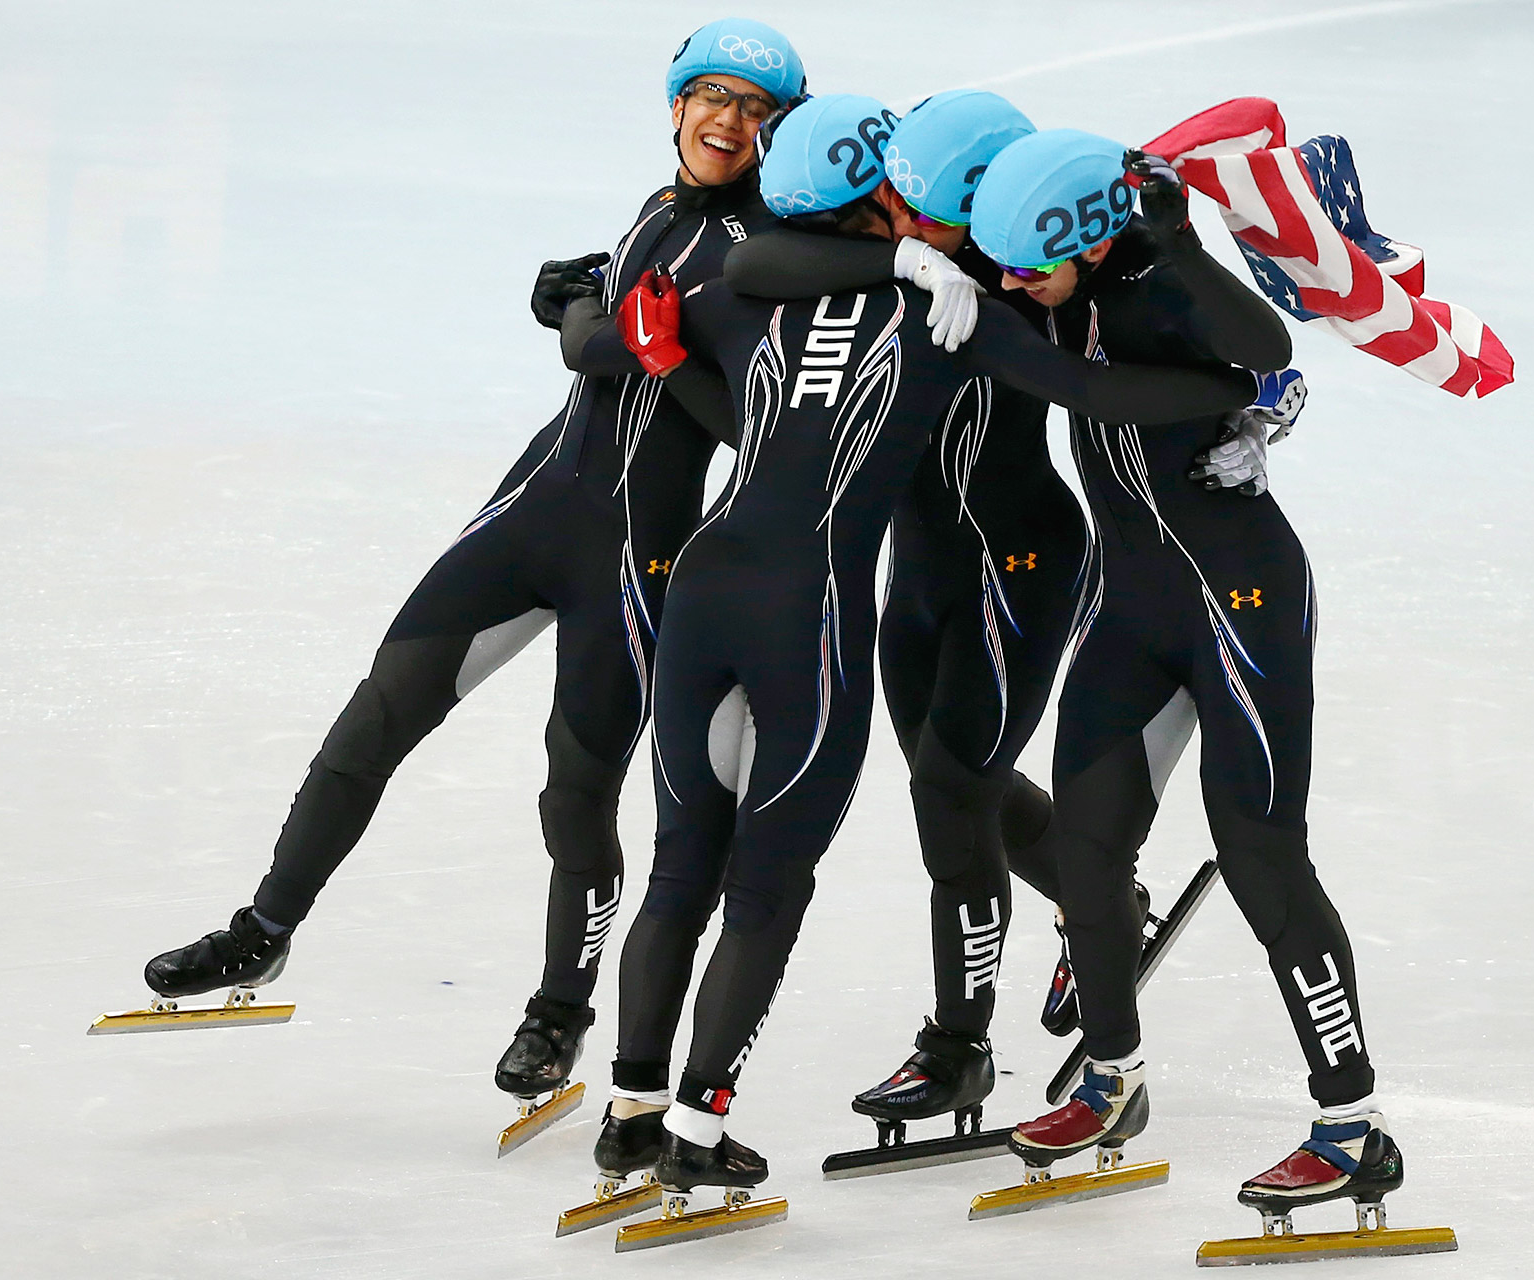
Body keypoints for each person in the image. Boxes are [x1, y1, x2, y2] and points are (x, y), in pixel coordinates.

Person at [591, 95, 1257, 1205]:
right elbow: (774, 260)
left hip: (1016, 556)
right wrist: (900, 256)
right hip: (907, 565)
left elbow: (1136, 336)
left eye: (922, 206)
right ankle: (1079, 923)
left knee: (956, 782)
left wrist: (1252, 390)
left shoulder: (1028, 270)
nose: (912, 218)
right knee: (941, 792)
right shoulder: (889, 270)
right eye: (893, 205)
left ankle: (959, 1037)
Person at [138, 18, 807, 1113]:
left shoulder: (760, 251)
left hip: (637, 557)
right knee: (372, 721)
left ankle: (558, 1011)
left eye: (754, 109)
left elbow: (731, 411)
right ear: (677, 103)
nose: (727, 121)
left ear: (776, 131)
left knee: (576, 796)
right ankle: (261, 931)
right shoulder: (661, 205)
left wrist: (595, 326)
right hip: (532, 511)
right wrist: (577, 295)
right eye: (712, 97)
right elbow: (601, 332)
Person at [969, 132, 1400, 1214]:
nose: (1014, 285)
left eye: (1029, 266)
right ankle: (1112, 1076)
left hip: (1241, 596)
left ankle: (1354, 1123)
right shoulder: (1053, 276)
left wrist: (1189, 247)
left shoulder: (1164, 279)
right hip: (1132, 606)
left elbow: (1266, 342)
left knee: (1261, 853)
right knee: (1085, 845)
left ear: (1081, 235)